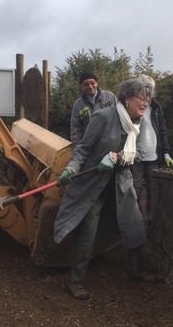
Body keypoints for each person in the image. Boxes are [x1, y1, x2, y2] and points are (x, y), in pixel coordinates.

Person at [54, 77, 156, 300]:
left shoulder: (141, 124)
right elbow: (82, 149)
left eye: (148, 98)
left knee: (134, 225)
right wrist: (71, 169)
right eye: (141, 97)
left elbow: (141, 153)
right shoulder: (103, 117)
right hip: (94, 186)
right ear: (127, 99)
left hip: (121, 185)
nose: (146, 102)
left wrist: (118, 157)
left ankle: (137, 270)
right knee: (87, 233)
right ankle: (76, 281)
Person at [131, 75, 173, 226]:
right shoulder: (132, 106)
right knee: (134, 191)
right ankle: (136, 222)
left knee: (152, 190)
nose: (147, 93)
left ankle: (151, 221)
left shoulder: (156, 107)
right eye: (144, 89)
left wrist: (166, 153)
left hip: (153, 156)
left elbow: (162, 131)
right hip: (135, 157)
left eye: (149, 90)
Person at [70, 72, 117, 146]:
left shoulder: (110, 97)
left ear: (96, 83)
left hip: (111, 142)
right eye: (86, 84)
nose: (90, 86)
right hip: (90, 145)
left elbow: (120, 117)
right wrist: (79, 146)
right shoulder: (78, 104)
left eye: (92, 83)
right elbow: (75, 127)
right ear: (81, 86)